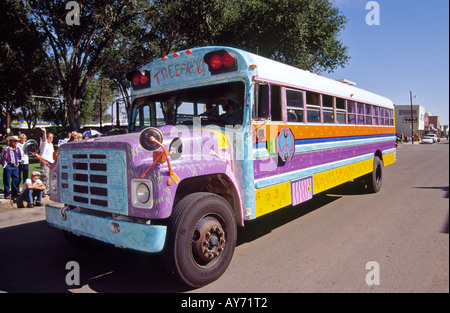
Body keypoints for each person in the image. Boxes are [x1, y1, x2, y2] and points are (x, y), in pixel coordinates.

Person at [2, 135, 22, 200]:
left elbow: (19, 156)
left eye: (17, 141)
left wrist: (18, 161)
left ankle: (14, 192)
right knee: (7, 180)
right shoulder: (7, 149)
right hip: (9, 165)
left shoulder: (17, 148)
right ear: (10, 142)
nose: (16, 143)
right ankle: (7, 194)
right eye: (14, 141)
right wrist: (5, 165)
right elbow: (2, 157)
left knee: (16, 179)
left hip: (15, 166)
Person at [39, 127, 54, 196]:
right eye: (49, 137)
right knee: (45, 177)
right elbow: (44, 139)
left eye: (52, 137)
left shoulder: (51, 145)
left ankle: (48, 190)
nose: (51, 138)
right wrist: (44, 132)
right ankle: (43, 191)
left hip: (51, 163)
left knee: (51, 177)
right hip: (45, 163)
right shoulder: (44, 144)